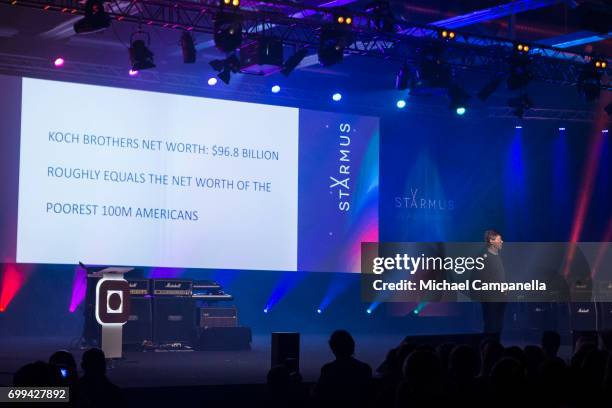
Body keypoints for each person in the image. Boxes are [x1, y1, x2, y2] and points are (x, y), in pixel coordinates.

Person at [314, 330, 372, 408]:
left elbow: (318, 395)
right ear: (352, 346)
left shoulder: (328, 369)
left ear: (332, 347)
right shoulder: (365, 368)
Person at [479, 230, 507, 336]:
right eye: (499, 240)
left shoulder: (498, 256)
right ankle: (489, 347)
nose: (502, 242)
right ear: (491, 241)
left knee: (498, 325)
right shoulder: (484, 257)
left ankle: (495, 346)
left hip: (500, 298)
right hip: (490, 298)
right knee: (491, 325)